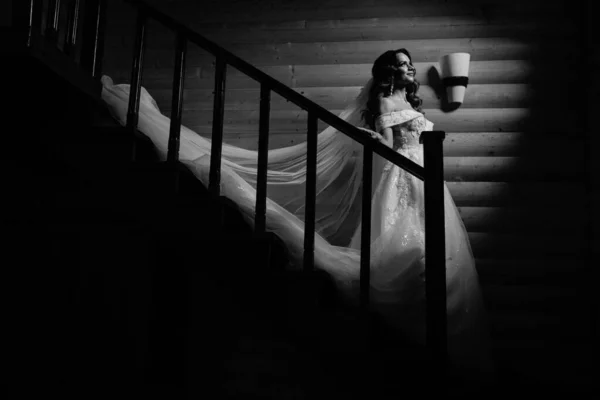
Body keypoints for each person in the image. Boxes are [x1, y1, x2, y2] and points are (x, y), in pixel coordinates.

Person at [100, 48, 494, 380]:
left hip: (426, 175)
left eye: (411, 64)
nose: (410, 68)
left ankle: (424, 311)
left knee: (434, 244)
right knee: (405, 241)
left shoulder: (410, 103)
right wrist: (374, 139)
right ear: (391, 70)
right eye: (404, 64)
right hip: (402, 174)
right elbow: (386, 142)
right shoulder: (383, 100)